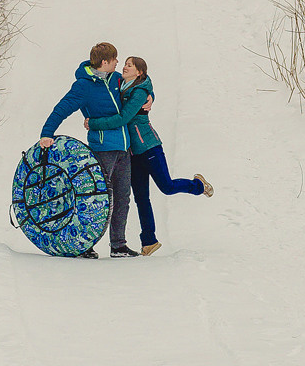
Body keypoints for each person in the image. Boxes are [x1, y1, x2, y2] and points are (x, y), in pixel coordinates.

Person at [86, 54, 212, 257]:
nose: (125, 67)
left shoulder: (139, 91)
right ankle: (149, 242)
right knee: (141, 198)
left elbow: (124, 117)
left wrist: (93, 123)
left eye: (129, 65)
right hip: (132, 153)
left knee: (167, 187)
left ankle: (198, 185)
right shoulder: (121, 83)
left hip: (150, 147)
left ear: (139, 72)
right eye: (125, 64)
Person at [39, 41, 140, 259]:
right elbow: (62, 108)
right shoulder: (83, 86)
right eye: (114, 59)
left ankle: (118, 245)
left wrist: (150, 98)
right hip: (103, 148)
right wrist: (46, 133)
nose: (118, 63)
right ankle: (84, 245)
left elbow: (139, 89)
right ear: (105, 62)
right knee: (95, 199)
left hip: (124, 147)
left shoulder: (116, 79)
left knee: (123, 197)